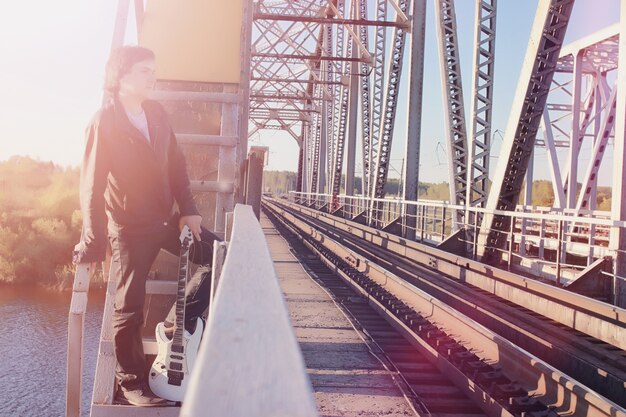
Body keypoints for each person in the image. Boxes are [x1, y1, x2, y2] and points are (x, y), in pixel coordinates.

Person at [74, 46, 219, 407]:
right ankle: (131, 383)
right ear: (121, 78)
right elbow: (91, 186)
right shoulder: (103, 122)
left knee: (220, 256)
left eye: (153, 70)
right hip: (128, 229)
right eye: (143, 71)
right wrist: (93, 240)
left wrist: (188, 210)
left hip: (165, 220)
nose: (152, 76)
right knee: (129, 307)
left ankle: (175, 326)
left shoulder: (155, 112)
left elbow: (177, 166)